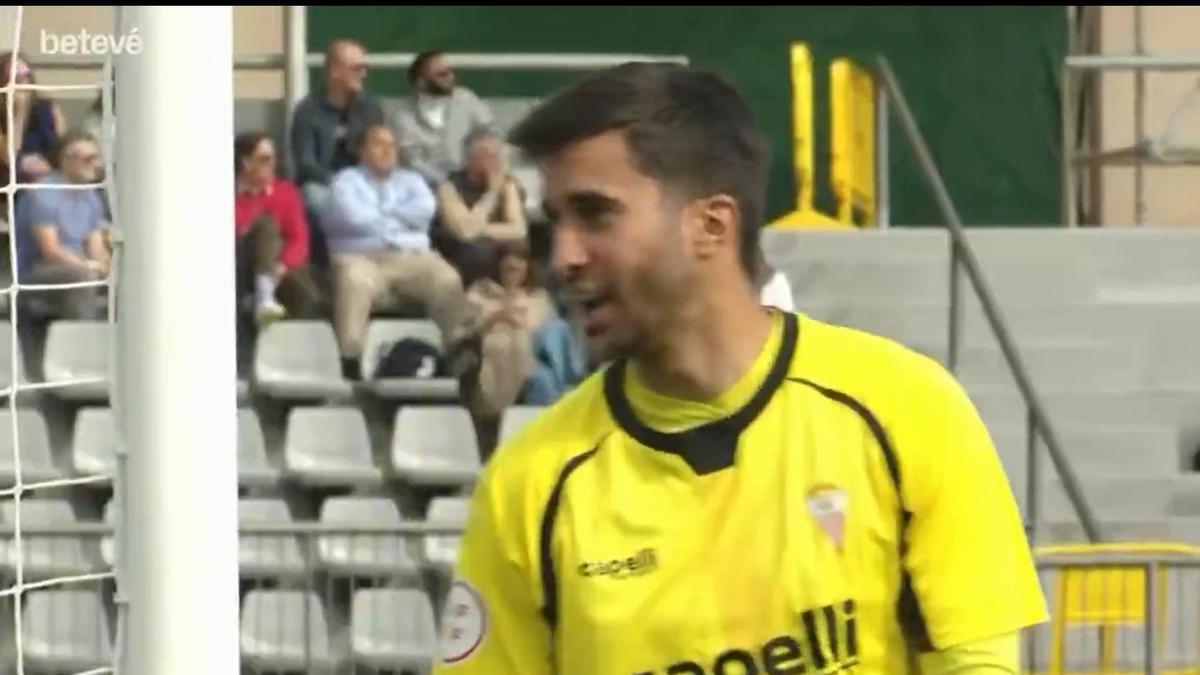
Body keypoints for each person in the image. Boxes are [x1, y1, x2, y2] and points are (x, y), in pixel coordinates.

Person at [434, 63, 1046, 675]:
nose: (563, 257)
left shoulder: (906, 409)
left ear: (711, 225)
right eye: (555, 223)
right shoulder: (528, 484)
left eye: (595, 215)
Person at [320, 122, 466, 378]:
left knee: (447, 278)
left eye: (392, 145)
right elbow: (355, 218)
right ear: (362, 152)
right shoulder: (344, 182)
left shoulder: (413, 181)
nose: (387, 151)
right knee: (354, 280)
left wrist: (378, 216)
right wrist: (401, 219)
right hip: (362, 259)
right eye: (379, 144)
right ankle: (350, 361)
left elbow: (425, 212)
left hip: (413, 259)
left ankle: (457, 357)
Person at [453, 241, 584, 427]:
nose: (513, 270)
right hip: (498, 361)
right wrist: (499, 316)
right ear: (498, 267)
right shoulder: (480, 293)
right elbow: (465, 332)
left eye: (518, 266)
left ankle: (574, 384)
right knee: (531, 370)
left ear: (527, 269)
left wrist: (524, 324)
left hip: (538, 361)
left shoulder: (539, 298)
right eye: (508, 266)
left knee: (558, 331)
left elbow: (549, 339)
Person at [290, 39, 384, 266]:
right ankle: (326, 268)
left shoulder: (369, 107)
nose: (363, 74)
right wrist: (341, 184)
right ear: (335, 71)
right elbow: (305, 163)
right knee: (314, 198)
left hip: (364, 182)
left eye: (364, 68)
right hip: (324, 183)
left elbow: (380, 153)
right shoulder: (308, 110)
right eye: (356, 68)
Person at [14, 131, 108, 319]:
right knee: (82, 277)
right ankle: (81, 338)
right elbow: (51, 252)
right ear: (66, 160)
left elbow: (95, 246)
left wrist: (106, 268)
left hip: (76, 265)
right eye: (88, 159)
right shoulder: (43, 193)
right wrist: (89, 266)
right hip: (37, 273)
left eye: (97, 158)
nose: (96, 165)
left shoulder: (91, 196)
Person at [234, 131, 322, 325]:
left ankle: (264, 299)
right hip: (241, 264)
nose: (272, 164)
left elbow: (298, 239)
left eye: (273, 158)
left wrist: (281, 266)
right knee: (267, 226)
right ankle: (263, 297)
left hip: (280, 267)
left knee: (308, 293)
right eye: (265, 159)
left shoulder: (286, 192)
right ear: (245, 162)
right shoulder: (229, 194)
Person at [434, 129, 527, 285]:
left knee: (517, 249)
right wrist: (491, 194)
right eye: (490, 156)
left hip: (496, 249)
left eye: (498, 155)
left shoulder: (507, 184)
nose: (497, 161)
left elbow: (519, 230)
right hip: (459, 252)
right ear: (472, 158)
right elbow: (463, 232)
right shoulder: (449, 187)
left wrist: (480, 230)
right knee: (476, 250)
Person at [393, 50, 494, 184]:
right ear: (420, 81)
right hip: (427, 185)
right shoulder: (403, 116)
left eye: (452, 72)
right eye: (442, 74)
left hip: (472, 178)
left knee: (510, 188)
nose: (451, 77)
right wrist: (443, 183)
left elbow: (488, 133)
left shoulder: (466, 99)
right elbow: (411, 161)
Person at [0, 52, 67, 188]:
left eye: (25, 77)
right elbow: (9, 159)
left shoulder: (48, 107)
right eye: (15, 78)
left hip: (49, 175)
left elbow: (64, 145)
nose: (22, 84)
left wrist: (49, 166)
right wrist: (19, 114)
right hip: (12, 181)